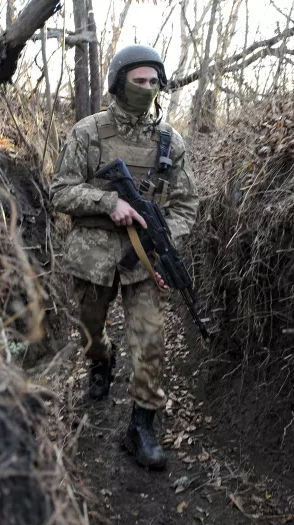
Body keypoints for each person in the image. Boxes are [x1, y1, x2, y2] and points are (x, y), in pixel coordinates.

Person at [49, 45, 199, 470]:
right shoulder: (88, 133)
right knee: (89, 330)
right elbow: (60, 191)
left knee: (151, 338)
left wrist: (164, 238)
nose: (148, 89)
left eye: (154, 83)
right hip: (93, 254)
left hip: (145, 257)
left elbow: (188, 204)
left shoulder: (172, 142)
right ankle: (101, 361)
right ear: (119, 83)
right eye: (139, 81)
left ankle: (142, 425)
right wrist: (107, 202)